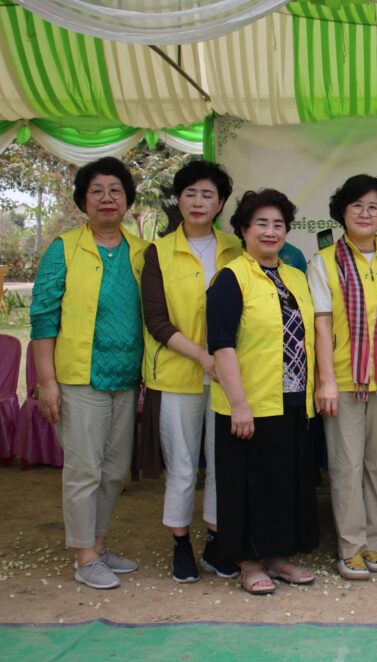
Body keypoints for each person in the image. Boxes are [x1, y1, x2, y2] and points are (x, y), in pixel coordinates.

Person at [29, 157, 147, 589]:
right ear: (83, 200)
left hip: (125, 377)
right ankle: (83, 557)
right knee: (84, 470)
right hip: (79, 377)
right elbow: (43, 319)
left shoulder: (141, 251)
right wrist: (47, 382)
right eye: (97, 191)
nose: (107, 198)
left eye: (115, 190)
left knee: (115, 470)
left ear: (128, 199)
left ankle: (98, 545)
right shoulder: (63, 249)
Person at [206, 189, 318, 595]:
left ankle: (277, 557)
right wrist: (238, 404)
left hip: (291, 398)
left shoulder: (295, 276)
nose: (271, 232)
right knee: (246, 485)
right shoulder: (231, 278)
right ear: (243, 229)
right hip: (247, 402)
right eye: (262, 224)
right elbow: (221, 344)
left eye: (279, 225)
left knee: (282, 483)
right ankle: (248, 562)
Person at [141, 160, 244, 583]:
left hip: (227, 379)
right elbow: (156, 320)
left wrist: (224, 364)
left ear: (220, 203)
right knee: (182, 465)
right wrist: (205, 358)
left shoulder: (236, 248)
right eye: (190, 194)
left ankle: (217, 541)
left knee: (224, 463)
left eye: (208, 195)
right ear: (178, 200)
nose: (198, 202)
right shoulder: (158, 251)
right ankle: (180, 543)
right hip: (177, 375)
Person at [309, 175, 377, 580]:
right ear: (342, 212)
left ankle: (371, 544)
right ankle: (350, 547)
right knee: (346, 466)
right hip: (345, 381)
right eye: (357, 206)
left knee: (375, 466)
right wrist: (326, 381)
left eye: (374, 207)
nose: (366, 214)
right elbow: (321, 324)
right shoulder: (325, 261)